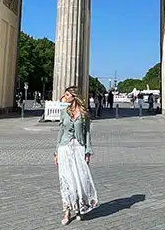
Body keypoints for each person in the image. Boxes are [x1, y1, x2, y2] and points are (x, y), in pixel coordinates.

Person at [54, 86, 98, 225]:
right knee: (67, 182)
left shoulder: (84, 113)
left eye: (67, 94)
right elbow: (60, 131)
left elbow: (87, 134)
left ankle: (79, 209)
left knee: (80, 181)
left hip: (79, 149)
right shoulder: (64, 112)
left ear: (74, 96)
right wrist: (56, 151)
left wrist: (88, 151)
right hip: (64, 149)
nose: (64, 97)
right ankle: (67, 212)